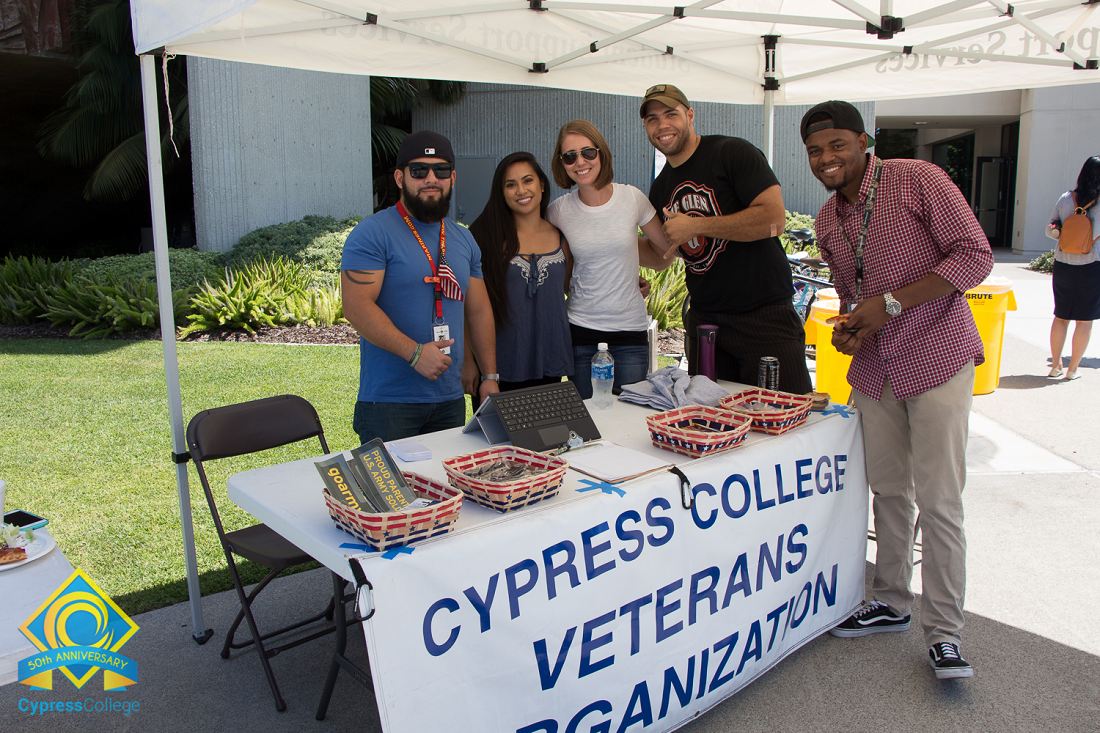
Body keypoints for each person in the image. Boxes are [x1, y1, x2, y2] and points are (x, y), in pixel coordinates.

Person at [801, 100, 993, 680]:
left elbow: (975, 255)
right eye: (815, 150)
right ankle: (890, 600)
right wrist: (853, 330)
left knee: (939, 502)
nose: (826, 159)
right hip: (877, 369)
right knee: (887, 490)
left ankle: (945, 632)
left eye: (836, 145)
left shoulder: (918, 179)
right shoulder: (827, 217)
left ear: (865, 140)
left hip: (935, 355)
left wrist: (887, 306)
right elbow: (847, 286)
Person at [640, 84, 813, 395]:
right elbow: (663, 252)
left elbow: (773, 219)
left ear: (690, 115)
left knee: (785, 419)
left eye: (670, 114)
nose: (662, 125)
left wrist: (696, 226)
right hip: (706, 323)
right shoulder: (661, 186)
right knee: (716, 427)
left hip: (763, 316)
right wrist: (605, 243)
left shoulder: (731, 153)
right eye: (652, 119)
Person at [341, 130, 499, 442]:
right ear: (400, 178)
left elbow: (478, 310)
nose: (431, 178)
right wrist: (414, 354)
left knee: (446, 489)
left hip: (449, 398)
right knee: (395, 492)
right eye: (418, 170)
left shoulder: (463, 238)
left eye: (440, 170)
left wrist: (490, 376)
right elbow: (356, 307)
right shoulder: (372, 233)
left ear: (452, 177)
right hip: (389, 404)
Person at [546, 119, 674, 398]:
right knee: (588, 424)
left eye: (588, 152)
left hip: (630, 333)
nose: (580, 162)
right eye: (570, 156)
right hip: (581, 332)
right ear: (562, 163)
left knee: (628, 423)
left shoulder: (632, 198)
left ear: (601, 153)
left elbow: (666, 250)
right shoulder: (558, 211)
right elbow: (557, 267)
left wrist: (628, 267)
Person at [464, 152, 573, 399]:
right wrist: (468, 362)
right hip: (496, 370)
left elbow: (571, 288)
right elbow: (466, 306)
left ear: (542, 185)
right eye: (510, 185)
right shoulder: (484, 238)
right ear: (501, 193)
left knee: (547, 436)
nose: (521, 190)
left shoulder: (561, 237)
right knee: (498, 438)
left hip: (549, 364)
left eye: (528, 181)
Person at [1045, 156, 1100, 381]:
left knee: (1061, 316)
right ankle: (1073, 370)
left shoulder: (1067, 198)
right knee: (1084, 320)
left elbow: (1050, 229)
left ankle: (1055, 366)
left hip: (1064, 264)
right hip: (1093, 265)